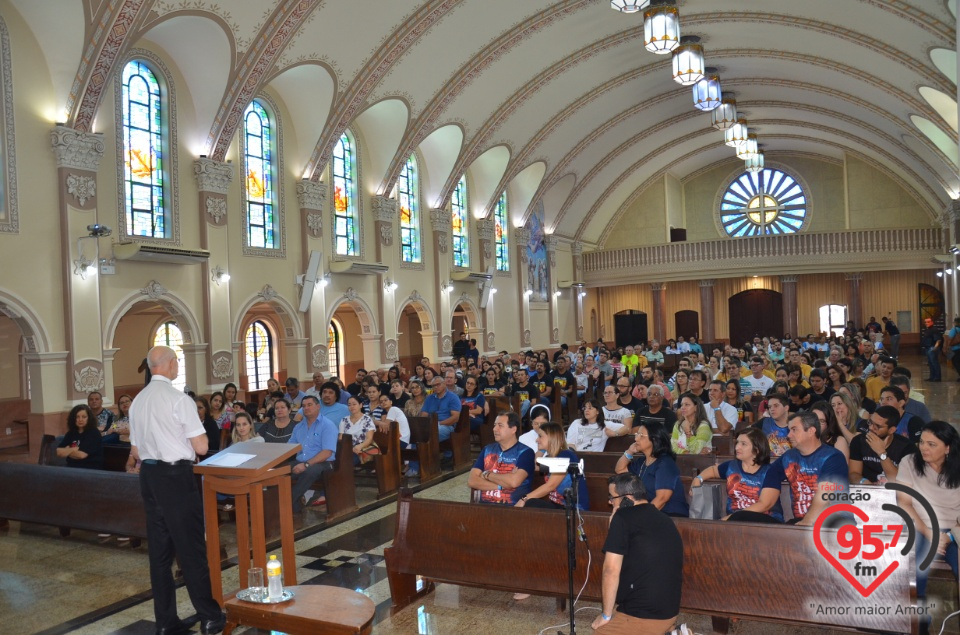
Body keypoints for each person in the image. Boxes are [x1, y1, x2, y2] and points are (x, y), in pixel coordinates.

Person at [128, 346, 225, 635]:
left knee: (160, 552)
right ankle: (210, 616)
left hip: (150, 476)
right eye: (177, 361)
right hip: (175, 476)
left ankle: (165, 622)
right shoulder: (178, 399)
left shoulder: (137, 401)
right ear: (169, 365)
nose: (177, 366)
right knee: (191, 548)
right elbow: (202, 447)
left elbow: (134, 450)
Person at [591, 473, 683, 634]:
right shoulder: (664, 518)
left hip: (645, 614)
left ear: (627, 498)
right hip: (669, 611)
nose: (609, 502)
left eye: (612, 497)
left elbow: (610, 571)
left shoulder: (622, 518)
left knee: (599, 632)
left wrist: (605, 615)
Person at [895, 420, 959, 621]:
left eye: (932, 444)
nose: (924, 448)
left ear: (947, 448)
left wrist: (948, 535)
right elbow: (904, 503)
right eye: (922, 442)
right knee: (915, 568)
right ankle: (917, 623)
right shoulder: (910, 462)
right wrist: (930, 533)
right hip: (920, 525)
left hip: (955, 529)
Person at [759, 412, 849, 525]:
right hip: (801, 522)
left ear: (811, 431)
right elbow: (771, 476)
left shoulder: (833, 457)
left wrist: (806, 522)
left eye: (794, 430)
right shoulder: (788, 457)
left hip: (834, 522)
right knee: (742, 517)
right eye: (789, 430)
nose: (789, 435)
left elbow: (825, 497)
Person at [692, 427, 784, 523]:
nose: (737, 447)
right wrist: (698, 479)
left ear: (757, 449)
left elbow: (765, 504)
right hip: (736, 522)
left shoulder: (770, 471)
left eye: (743, 444)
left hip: (765, 522)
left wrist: (732, 517)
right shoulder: (731, 466)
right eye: (737, 443)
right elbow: (713, 470)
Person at [615, 421, 689, 517]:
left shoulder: (665, 463)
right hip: (651, 513)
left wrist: (642, 518)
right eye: (637, 434)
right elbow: (620, 470)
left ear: (654, 439)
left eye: (641, 435)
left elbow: (662, 499)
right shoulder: (642, 462)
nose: (636, 438)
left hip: (670, 515)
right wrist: (629, 451)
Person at [516, 423, 589, 511]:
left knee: (529, 503)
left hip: (574, 510)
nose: (537, 440)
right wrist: (541, 450)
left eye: (540, 436)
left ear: (551, 437)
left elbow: (550, 486)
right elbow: (534, 466)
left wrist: (524, 498)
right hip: (558, 505)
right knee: (531, 503)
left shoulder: (565, 455)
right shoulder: (550, 457)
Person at [467, 411, 535, 504]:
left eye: (500, 425)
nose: (495, 429)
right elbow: (472, 481)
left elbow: (514, 482)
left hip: (512, 510)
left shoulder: (525, 452)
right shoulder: (487, 449)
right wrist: (501, 486)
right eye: (495, 425)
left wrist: (486, 475)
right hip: (484, 509)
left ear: (513, 429)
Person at [288, 396, 338, 511]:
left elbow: (326, 452)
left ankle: (286, 503)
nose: (306, 408)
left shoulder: (327, 425)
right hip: (301, 461)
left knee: (309, 471)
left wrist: (306, 465)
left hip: (324, 463)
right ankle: (294, 506)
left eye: (309, 405)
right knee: (281, 471)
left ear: (318, 406)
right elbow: (290, 447)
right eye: (304, 406)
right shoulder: (299, 426)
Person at [848, 405, 915, 485]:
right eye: (870, 422)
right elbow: (853, 474)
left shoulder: (906, 447)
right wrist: (865, 483)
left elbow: (898, 481)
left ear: (891, 430)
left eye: (877, 426)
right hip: (866, 490)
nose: (871, 428)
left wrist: (881, 453)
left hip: (894, 494)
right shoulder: (858, 441)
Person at [56, 404, 104, 469]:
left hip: (89, 469)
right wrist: (73, 449)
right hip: (71, 467)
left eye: (84, 417)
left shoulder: (94, 433)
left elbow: (81, 455)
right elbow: (58, 452)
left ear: (89, 418)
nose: (80, 420)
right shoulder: (71, 433)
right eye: (77, 417)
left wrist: (66, 450)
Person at [421, 376, 463, 444]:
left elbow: (455, 418)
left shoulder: (453, 397)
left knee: (433, 432)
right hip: (431, 424)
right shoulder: (429, 398)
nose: (435, 387)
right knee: (418, 431)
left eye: (438, 384)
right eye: (433, 385)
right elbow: (424, 415)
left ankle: (427, 452)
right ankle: (420, 451)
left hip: (447, 426)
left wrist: (438, 424)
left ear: (444, 384)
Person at [339, 396, 378, 466]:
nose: (352, 407)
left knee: (348, 461)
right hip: (347, 448)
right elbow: (341, 438)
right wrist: (349, 448)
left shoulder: (367, 419)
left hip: (362, 448)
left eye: (354, 404)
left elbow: (369, 438)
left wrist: (359, 446)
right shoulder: (344, 420)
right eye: (349, 405)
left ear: (360, 405)